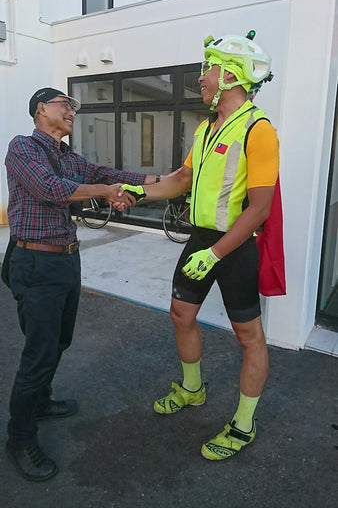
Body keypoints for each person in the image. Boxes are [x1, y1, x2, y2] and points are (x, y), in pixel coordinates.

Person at [122, 31, 279, 461]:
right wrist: (136, 191)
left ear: (229, 74)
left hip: (235, 244)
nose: (201, 78)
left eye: (207, 68)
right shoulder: (206, 128)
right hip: (201, 239)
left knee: (249, 336)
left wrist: (215, 254)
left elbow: (260, 208)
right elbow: (180, 180)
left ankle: (244, 424)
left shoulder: (259, 128)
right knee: (181, 313)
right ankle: (193, 389)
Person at [4, 87, 160, 482]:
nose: (72, 111)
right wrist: (106, 192)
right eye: (65, 105)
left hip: (65, 259)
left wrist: (160, 179)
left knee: (59, 342)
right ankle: (19, 438)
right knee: (38, 353)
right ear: (42, 109)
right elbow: (50, 189)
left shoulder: (67, 156)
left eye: (74, 107)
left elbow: (106, 174)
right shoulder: (24, 148)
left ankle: (39, 401)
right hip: (35, 261)